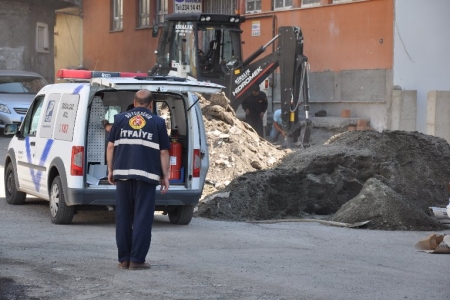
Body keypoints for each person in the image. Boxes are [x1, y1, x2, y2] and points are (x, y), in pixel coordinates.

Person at [106, 89, 170, 270]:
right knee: (142, 217)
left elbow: (111, 147)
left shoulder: (119, 119)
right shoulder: (158, 122)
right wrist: (165, 176)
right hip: (147, 177)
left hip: (123, 175)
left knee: (123, 217)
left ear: (134, 103)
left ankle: (123, 260)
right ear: (151, 105)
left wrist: (111, 170)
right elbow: (164, 151)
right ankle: (136, 260)